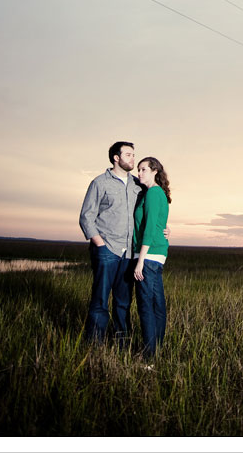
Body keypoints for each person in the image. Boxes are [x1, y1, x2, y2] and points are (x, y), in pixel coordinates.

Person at [79, 141, 143, 343]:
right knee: (100, 301)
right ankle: (94, 345)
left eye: (133, 155)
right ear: (116, 157)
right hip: (107, 250)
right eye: (128, 155)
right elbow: (86, 216)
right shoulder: (100, 183)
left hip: (129, 254)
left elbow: (146, 213)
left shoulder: (137, 185)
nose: (133, 159)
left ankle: (121, 345)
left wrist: (163, 228)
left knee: (123, 302)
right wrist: (100, 245)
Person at [133, 157, 171, 362]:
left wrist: (140, 260)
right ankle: (155, 352)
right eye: (138, 170)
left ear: (154, 171)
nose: (139, 173)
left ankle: (148, 357)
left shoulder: (153, 193)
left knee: (146, 306)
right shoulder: (156, 193)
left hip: (148, 256)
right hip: (156, 255)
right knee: (157, 306)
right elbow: (158, 224)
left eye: (143, 169)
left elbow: (148, 228)